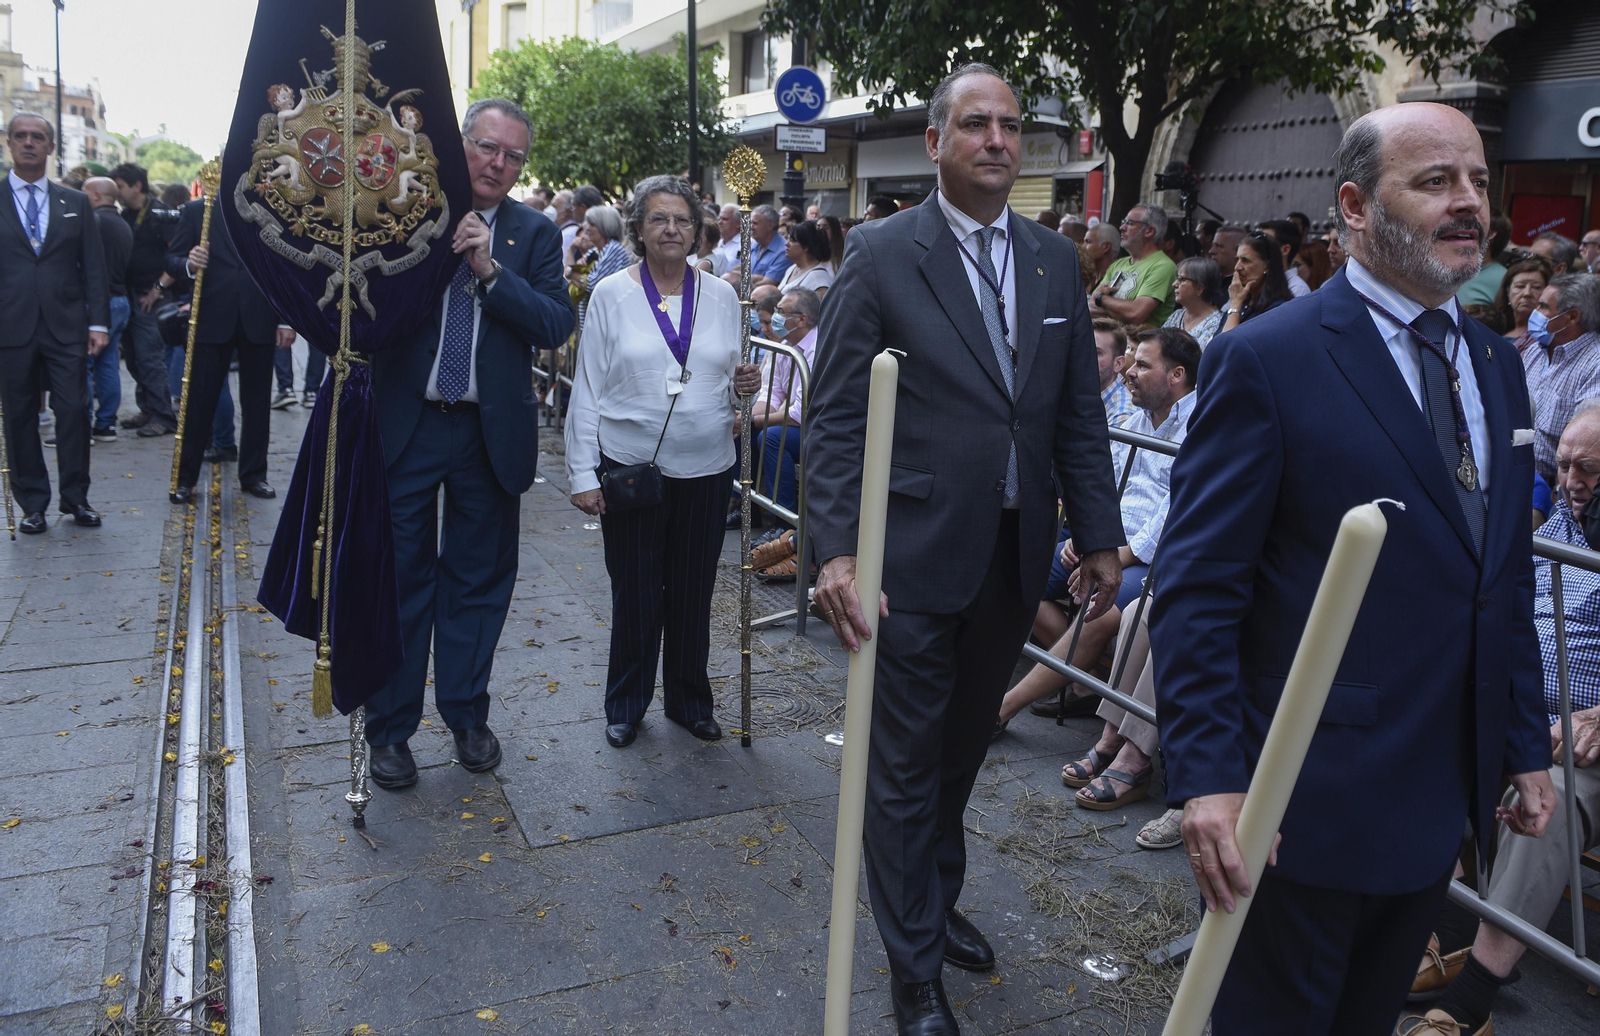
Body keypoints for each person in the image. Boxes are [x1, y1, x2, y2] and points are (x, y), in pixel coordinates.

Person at [1151, 101, 1555, 1034]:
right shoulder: (1269, 359)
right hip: (1304, 808)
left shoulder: (1496, 362)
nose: (1468, 204)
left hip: (1440, 800)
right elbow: (1200, 586)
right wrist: (1210, 776)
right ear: (1355, 205)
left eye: (1478, 182)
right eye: (1434, 182)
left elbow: (1501, 575)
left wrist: (1523, 743)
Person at [804, 63, 1122, 1036]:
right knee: (901, 759)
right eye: (975, 124)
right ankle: (912, 969)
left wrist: (1099, 533)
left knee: (959, 747)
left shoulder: (1053, 261)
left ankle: (929, 903)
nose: (996, 139)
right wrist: (831, 553)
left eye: (1010, 125)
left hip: (1013, 557)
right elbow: (834, 417)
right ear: (935, 142)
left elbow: (1074, 411)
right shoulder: (880, 253)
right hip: (904, 555)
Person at [363, 98, 574, 790]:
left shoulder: (535, 234)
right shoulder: (409, 208)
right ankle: (389, 731)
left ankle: (465, 715)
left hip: (490, 433)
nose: (498, 164)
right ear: (461, 145)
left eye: (514, 156)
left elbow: (551, 324)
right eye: (488, 148)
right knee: (399, 582)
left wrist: (490, 273)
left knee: (478, 585)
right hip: (410, 424)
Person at [1400, 401, 1600, 1036]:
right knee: (1437, 729)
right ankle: (1452, 931)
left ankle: (1470, 1003)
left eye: (1590, 469)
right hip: (1526, 711)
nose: (1573, 480)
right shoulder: (1558, 529)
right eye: (1565, 464)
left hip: (1589, 736)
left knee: (1557, 797)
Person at [565, 174, 761, 750]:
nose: (672, 229)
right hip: (630, 467)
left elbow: (729, 384)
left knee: (693, 591)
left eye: (682, 219)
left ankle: (688, 701)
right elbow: (587, 389)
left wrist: (743, 387)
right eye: (659, 219)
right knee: (635, 591)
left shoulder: (723, 296)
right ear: (639, 229)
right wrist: (581, 474)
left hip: (706, 466)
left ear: (698, 230)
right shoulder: (611, 295)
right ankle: (626, 704)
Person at [997, 327, 1199, 739]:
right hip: (1107, 540)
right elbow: (1106, 484)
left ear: (1176, 375)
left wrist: (1114, 552)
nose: (1128, 372)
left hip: (1152, 557)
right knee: (1015, 572)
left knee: (1099, 611)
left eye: (1142, 364)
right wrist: (1091, 536)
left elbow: (1175, 509)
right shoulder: (1137, 417)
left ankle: (1000, 710)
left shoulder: (1199, 426)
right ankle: (1086, 678)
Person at [0, 113, 109, 533]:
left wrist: (98, 323)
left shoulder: (75, 202)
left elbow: (94, 269)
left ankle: (76, 497)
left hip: (66, 324)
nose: (29, 143)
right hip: (11, 325)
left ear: (50, 147)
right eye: (21, 136)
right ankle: (33, 504)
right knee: (20, 414)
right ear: (10, 143)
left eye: (38, 137)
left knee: (75, 409)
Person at [166, 179, 293, 503]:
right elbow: (172, 259)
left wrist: (285, 318)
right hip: (212, 317)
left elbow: (285, 266)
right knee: (198, 402)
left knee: (257, 403)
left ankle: (254, 475)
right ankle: (185, 479)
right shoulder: (198, 211)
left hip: (259, 317)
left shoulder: (271, 209)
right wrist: (189, 264)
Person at [747, 287, 821, 576]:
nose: (775, 319)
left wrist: (754, 421)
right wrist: (746, 418)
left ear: (802, 319)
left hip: (817, 429)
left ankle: (785, 522)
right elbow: (772, 394)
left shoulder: (816, 348)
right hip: (794, 422)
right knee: (749, 432)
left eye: (781, 313)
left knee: (771, 436)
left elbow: (799, 413)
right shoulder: (787, 344)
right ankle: (747, 509)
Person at [108, 161, 181, 437]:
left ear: (137, 186)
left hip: (151, 296)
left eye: (120, 187)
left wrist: (157, 288)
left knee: (150, 357)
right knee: (135, 359)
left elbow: (177, 256)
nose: (117, 192)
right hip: (130, 295)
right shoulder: (126, 215)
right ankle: (148, 408)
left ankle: (163, 416)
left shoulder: (161, 215)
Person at [1521, 272, 1600, 488]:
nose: (1535, 313)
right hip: (1516, 475)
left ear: (1572, 317)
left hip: (1555, 489)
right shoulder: (1536, 350)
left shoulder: (1595, 365)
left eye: (1544, 307)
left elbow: (1584, 449)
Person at [84, 177, 132, 441]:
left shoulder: (95, 221)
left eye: (84, 193)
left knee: (85, 364)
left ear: (95, 196)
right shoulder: (122, 223)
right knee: (107, 364)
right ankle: (106, 424)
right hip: (119, 301)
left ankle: (83, 425)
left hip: (99, 302)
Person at [1090, 203, 1177, 326]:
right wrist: (1121, 311)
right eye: (1123, 222)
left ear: (1149, 231)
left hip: (1140, 343)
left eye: (1130, 223)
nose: (1122, 227)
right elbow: (1090, 308)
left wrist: (1101, 299)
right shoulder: (1118, 264)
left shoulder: (1163, 266)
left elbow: (1135, 314)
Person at [567, 203, 633, 341]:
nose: (587, 228)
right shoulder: (595, 252)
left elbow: (592, 284)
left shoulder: (613, 249)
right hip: (594, 327)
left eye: (592, 224)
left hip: (608, 328)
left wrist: (572, 273)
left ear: (604, 226)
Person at [1218, 233, 1294, 333]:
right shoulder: (1243, 301)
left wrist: (1235, 306)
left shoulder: (1277, 309)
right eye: (1237, 259)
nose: (1237, 267)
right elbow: (1216, 340)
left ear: (1266, 266)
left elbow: (1228, 344)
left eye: (1245, 260)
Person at [1456, 208, 1513, 306]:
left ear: (1490, 233)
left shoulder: (1503, 278)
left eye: (1469, 225)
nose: (1457, 230)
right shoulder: (1444, 266)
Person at [1164, 256, 1226, 347]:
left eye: (1181, 279)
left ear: (1200, 288)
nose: (1174, 284)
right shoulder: (1177, 316)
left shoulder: (1215, 323)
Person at [726, 204, 789, 290]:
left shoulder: (784, 251)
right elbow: (737, 272)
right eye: (750, 222)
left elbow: (768, 284)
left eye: (755, 223)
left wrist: (746, 278)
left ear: (770, 225)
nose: (751, 227)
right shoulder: (753, 245)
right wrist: (757, 277)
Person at [1494, 255, 1551, 349]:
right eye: (1520, 286)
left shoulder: (1547, 337)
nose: (1527, 293)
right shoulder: (1493, 327)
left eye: (1536, 287)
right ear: (1507, 291)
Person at [776, 218, 834, 296]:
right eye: (788, 239)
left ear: (806, 246)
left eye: (792, 240)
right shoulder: (792, 269)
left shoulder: (819, 280)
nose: (787, 244)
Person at [1093, 318, 1134, 427]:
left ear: (1118, 364)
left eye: (1097, 353)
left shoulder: (1123, 414)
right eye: (1083, 349)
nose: (1085, 356)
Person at [1260, 218, 1310, 298]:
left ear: (1285, 249)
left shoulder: (1297, 289)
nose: (1258, 248)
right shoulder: (1258, 282)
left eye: (1266, 242)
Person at [1081, 220, 1120, 286]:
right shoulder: (1088, 279)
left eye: (1088, 241)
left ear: (1106, 247)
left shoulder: (1116, 282)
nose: (1083, 246)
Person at [711, 203, 740, 276]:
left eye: (725, 219)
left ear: (738, 223)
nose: (720, 222)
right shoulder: (717, 243)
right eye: (719, 219)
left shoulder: (747, 244)